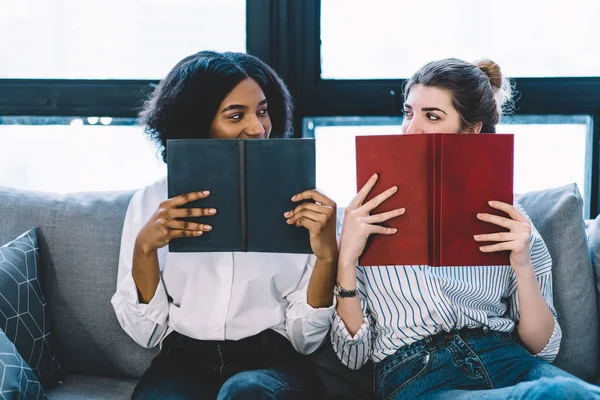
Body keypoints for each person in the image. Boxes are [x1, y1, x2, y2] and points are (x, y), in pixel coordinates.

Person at [331, 58, 600, 399]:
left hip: (506, 358)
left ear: (471, 130)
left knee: (568, 391)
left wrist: (522, 263)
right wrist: (346, 261)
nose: (411, 129)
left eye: (432, 116)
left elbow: (542, 345)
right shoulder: (362, 217)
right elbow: (352, 356)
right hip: (418, 373)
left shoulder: (509, 217)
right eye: (408, 112)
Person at [111, 51, 338, 399]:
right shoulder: (152, 202)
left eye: (263, 111)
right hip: (183, 360)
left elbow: (305, 339)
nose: (258, 128)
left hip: (271, 364)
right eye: (236, 116)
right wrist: (145, 248)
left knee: (245, 391)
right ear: (196, 123)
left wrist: (326, 257)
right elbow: (147, 333)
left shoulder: (305, 205)